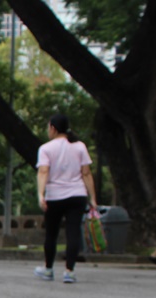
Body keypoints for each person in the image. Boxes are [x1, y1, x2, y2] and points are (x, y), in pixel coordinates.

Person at [35, 114, 97, 284]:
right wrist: (93, 197)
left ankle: (48, 269)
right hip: (77, 195)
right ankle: (69, 271)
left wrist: (41, 195)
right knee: (73, 232)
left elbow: (43, 172)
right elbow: (86, 173)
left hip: (54, 196)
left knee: (51, 233)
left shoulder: (46, 149)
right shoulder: (79, 147)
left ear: (53, 128)